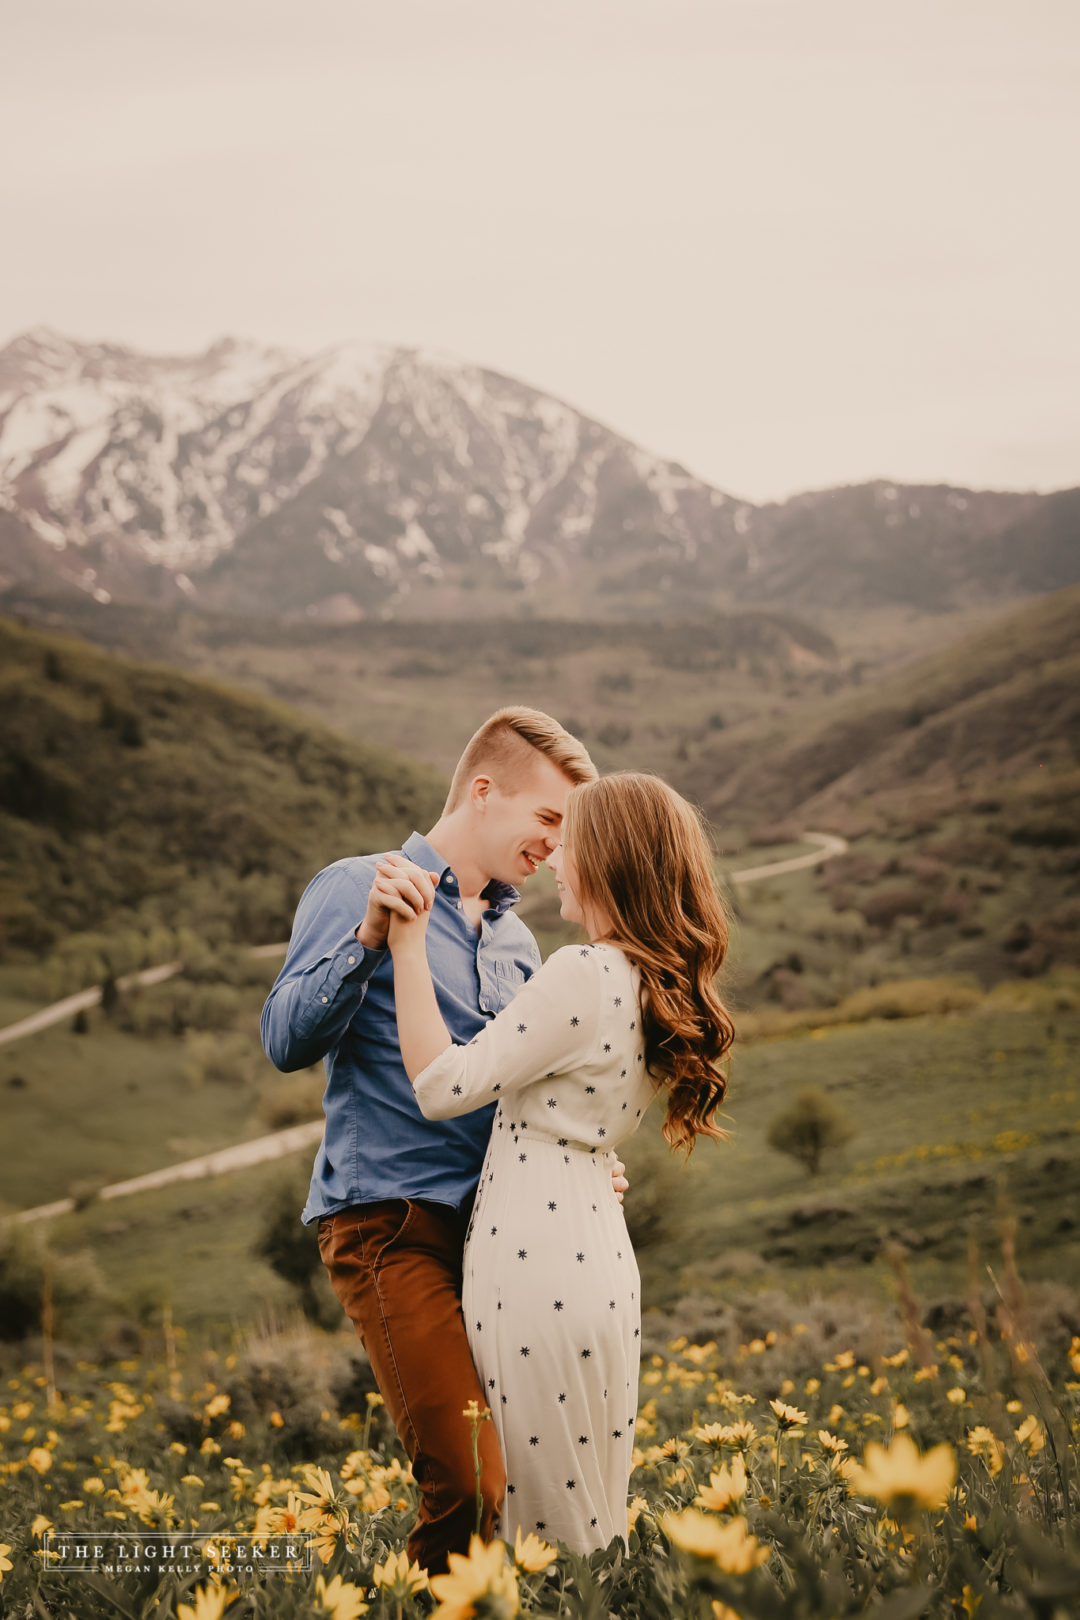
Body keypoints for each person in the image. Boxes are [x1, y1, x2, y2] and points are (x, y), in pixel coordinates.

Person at [261, 706, 629, 1574]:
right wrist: (368, 942)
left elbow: (525, 1081)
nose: (555, 847)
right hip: (388, 1224)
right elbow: (283, 1038)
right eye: (548, 819)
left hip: (501, 1245)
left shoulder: (518, 938)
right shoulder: (357, 883)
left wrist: (588, 1152)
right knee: (468, 1483)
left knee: (531, 1484)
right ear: (483, 790)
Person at [387, 770, 735, 1553]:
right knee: (587, 1514)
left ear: (608, 858)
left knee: (533, 1523)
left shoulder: (582, 970)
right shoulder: (656, 985)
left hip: (533, 1262)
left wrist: (408, 944)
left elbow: (444, 1087)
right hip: (598, 1253)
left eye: (570, 841)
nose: (553, 858)